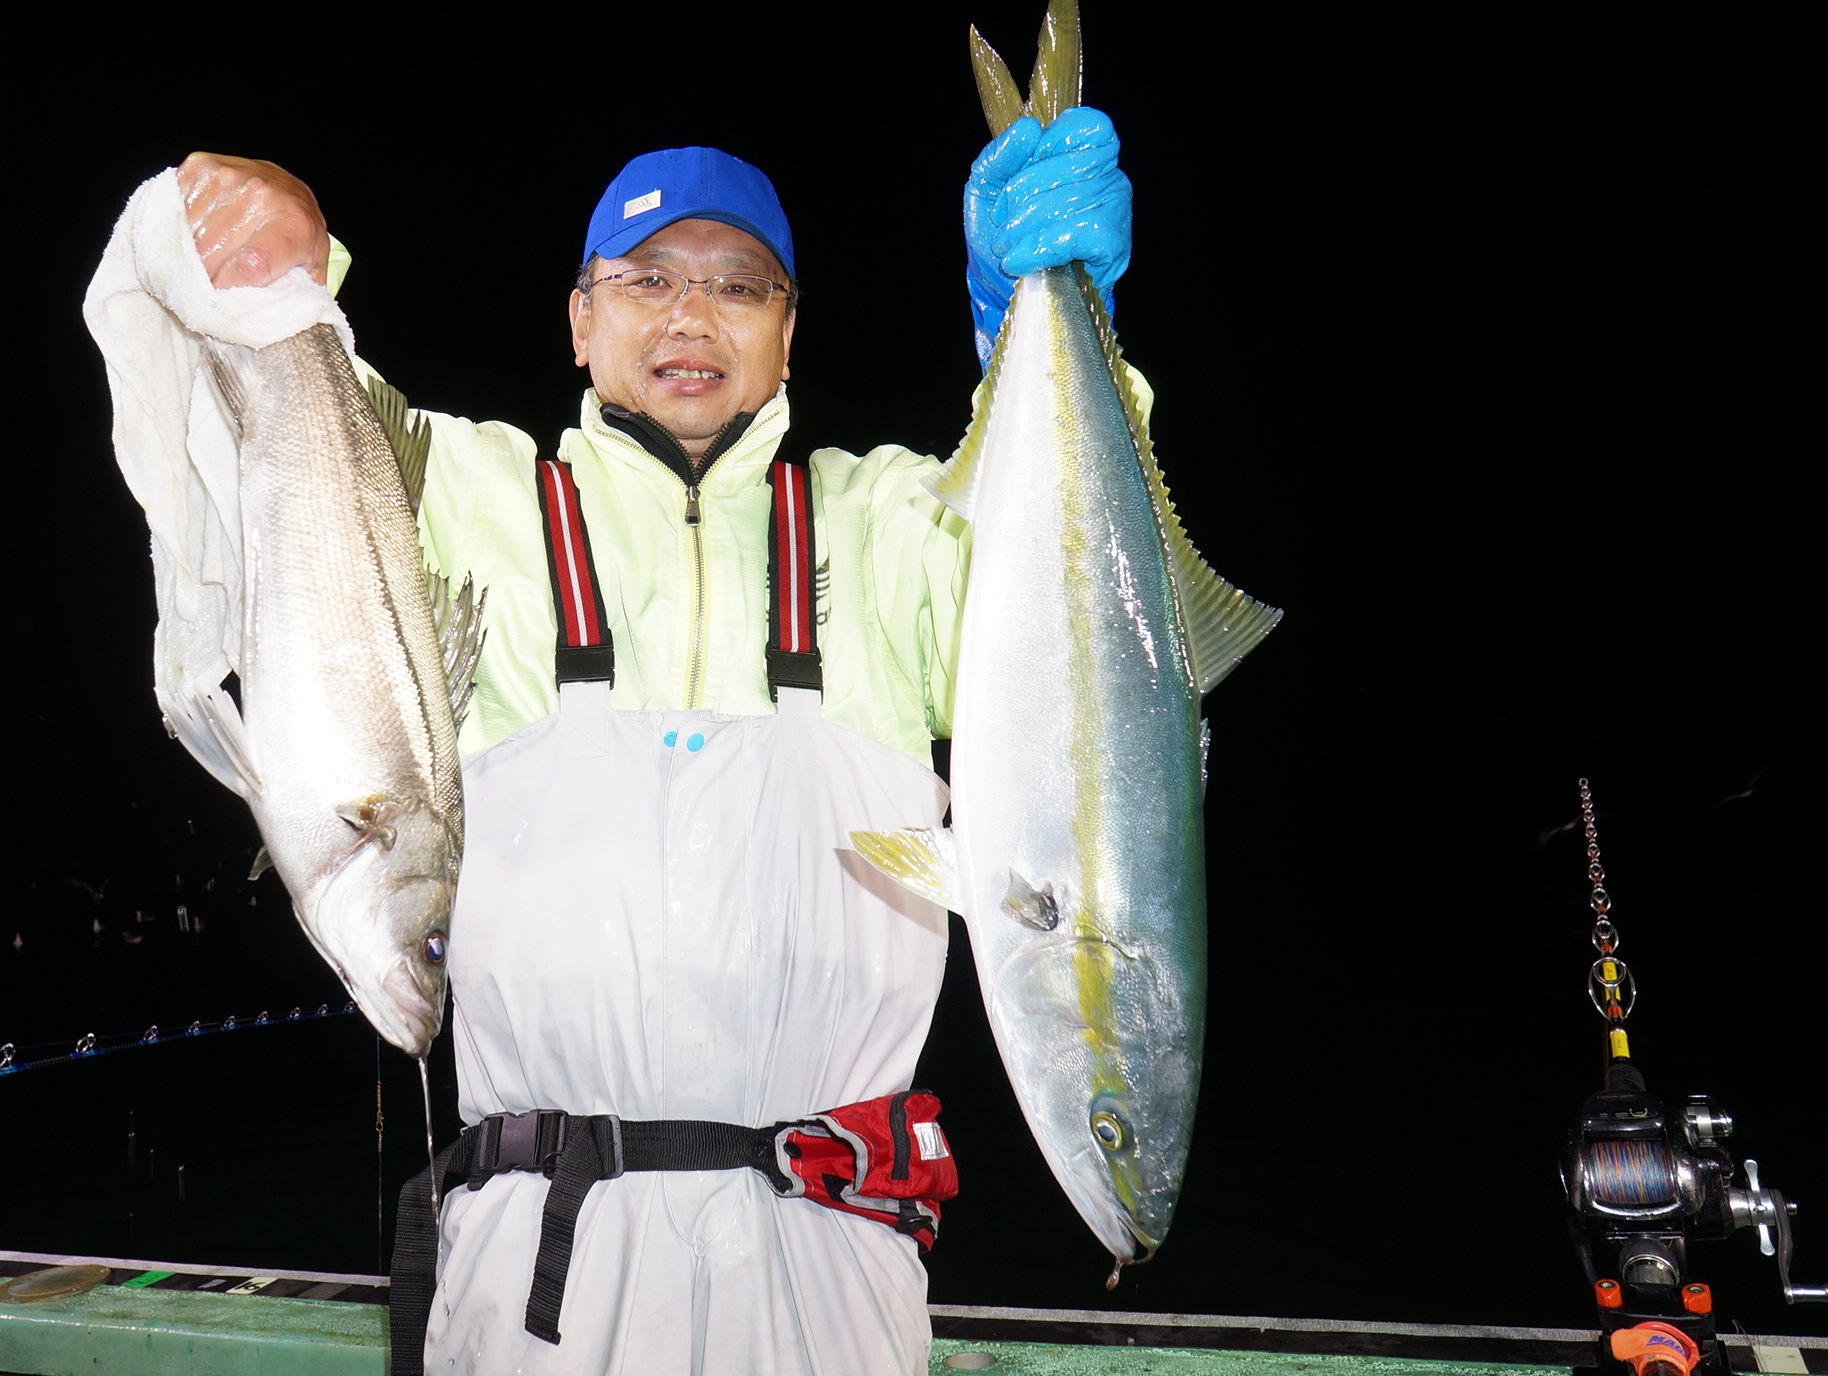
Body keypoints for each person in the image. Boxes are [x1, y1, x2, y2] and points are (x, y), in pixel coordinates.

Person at [86, 112, 1132, 1376]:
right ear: (580, 319)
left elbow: (1092, 615)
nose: (691, 314)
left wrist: (1045, 334)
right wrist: (267, 260)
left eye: (738, 286)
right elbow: (255, 411)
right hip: (542, 1283)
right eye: (647, 280)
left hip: (834, 1278)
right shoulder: (461, 499)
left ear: (788, 330)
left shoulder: (901, 528)